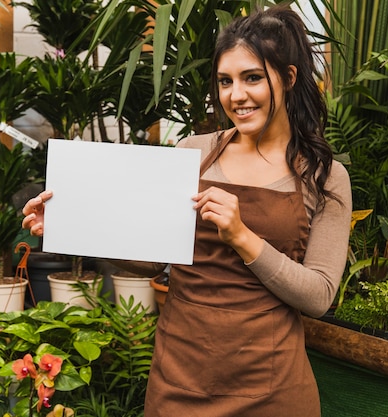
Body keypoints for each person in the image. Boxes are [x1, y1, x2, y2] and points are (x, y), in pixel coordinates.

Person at [22, 5, 352, 417]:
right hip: (182, 376)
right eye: (225, 81)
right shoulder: (192, 153)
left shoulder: (324, 175)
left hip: (272, 387)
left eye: (252, 78)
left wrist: (243, 238)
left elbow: (319, 296)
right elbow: (153, 261)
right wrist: (70, 225)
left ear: (288, 77)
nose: (236, 95)